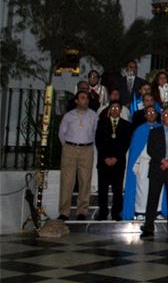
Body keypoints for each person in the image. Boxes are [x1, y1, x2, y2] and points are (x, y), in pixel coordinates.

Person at [141, 107, 168, 237]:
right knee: (153, 198)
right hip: (157, 169)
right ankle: (148, 226)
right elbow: (150, 149)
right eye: (166, 114)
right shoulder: (154, 132)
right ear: (161, 118)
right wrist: (162, 160)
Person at [56, 90, 99, 221]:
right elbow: (61, 133)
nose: (85, 100)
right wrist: (68, 146)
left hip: (87, 149)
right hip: (70, 148)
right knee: (67, 181)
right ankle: (64, 212)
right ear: (76, 101)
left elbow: (96, 132)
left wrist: (88, 145)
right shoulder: (69, 116)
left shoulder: (93, 115)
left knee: (85, 181)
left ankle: (82, 211)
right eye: (82, 98)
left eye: (87, 98)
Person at [122, 105, 166, 220]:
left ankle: (157, 210)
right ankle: (140, 211)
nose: (151, 114)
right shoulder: (139, 130)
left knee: (158, 187)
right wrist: (135, 163)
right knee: (142, 188)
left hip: (158, 163)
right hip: (143, 163)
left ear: (157, 114)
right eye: (148, 112)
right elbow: (135, 149)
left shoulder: (162, 128)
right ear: (145, 115)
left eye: (153, 112)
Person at [94, 100, 132, 221]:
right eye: (113, 108)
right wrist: (105, 157)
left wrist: (116, 157)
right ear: (109, 109)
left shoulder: (126, 125)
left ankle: (116, 212)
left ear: (121, 110)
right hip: (104, 161)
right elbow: (98, 141)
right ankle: (103, 212)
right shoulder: (101, 123)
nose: (115, 110)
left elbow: (126, 143)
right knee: (103, 189)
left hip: (118, 161)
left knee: (118, 189)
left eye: (117, 108)